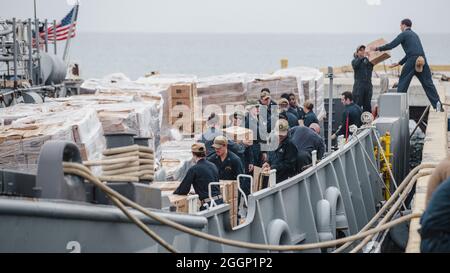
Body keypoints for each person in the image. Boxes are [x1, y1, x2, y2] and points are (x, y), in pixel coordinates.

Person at [370, 18, 443, 111]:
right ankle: (438, 106)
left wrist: (376, 48)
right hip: (422, 60)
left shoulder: (404, 34)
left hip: (412, 61)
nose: (400, 27)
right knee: (428, 84)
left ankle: (397, 108)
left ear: (404, 25)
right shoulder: (415, 35)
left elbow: (391, 45)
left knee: (402, 84)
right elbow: (414, 52)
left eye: (400, 25)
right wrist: (400, 63)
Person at [174, 143, 224, 211]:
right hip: (220, 203)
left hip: (209, 205)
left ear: (193, 154)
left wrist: (174, 193)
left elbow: (183, 190)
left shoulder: (194, 169)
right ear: (205, 153)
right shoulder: (213, 166)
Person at [262, 119, 299, 183]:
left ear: (287, 131)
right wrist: (267, 162)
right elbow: (270, 153)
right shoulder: (272, 140)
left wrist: (273, 167)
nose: (280, 136)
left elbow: (289, 165)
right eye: (278, 134)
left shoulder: (290, 145)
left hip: (284, 180)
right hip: (272, 177)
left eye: (282, 135)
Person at [352, 45, 374, 113]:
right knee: (357, 105)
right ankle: (356, 122)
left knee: (367, 106)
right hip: (359, 86)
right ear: (357, 52)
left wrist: (371, 56)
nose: (363, 51)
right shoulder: (354, 61)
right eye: (361, 50)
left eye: (364, 50)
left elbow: (373, 63)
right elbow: (356, 65)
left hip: (368, 86)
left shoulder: (368, 61)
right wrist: (363, 57)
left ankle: (367, 122)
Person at [245, 100, 263, 167]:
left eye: (258, 107)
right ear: (250, 109)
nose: (258, 109)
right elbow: (249, 142)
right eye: (256, 107)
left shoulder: (255, 119)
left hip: (258, 148)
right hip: (253, 150)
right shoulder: (248, 122)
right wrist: (251, 160)